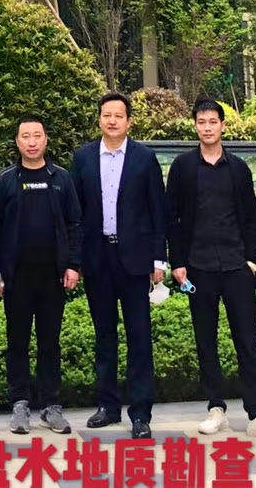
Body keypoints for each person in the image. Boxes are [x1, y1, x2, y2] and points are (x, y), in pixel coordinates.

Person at [166, 97, 256, 439]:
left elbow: (251, 217)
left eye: (212, 122)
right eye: (201, 122)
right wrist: (178, 262)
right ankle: (216, 408)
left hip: (236, 266)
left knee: (247, 340)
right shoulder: (183, 168)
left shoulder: (238, 168)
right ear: (195, 126)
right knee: (206, 341)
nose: (207, 128)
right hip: (198, 267)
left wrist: (252, 259)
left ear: (222, 126)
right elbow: (172, 218)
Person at [71, 92, 166, 439]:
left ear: (129, 122)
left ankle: (140, 413)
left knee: (139, 337)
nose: (112, 121)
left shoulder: (144, 158)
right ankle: (108, 406)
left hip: (135, 261)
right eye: (106, 115)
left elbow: (158, 211)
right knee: (104, 335)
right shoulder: (83, 157)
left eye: (118, 115)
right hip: (98, 259)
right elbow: (75, 213)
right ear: (99, 119)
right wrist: (75, 259)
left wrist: (159, 258)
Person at [0, 115, 82, 436]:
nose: (31, 142)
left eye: (37, 135)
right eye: (25, 136)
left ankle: (50, 406)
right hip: (16, 277)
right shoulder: (5, 180)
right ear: (17, 142)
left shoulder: (61, 179)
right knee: (17, 341)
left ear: (46, 140)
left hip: (52, 277)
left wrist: (73, 265)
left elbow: (75, 224)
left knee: (50, 342)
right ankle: (19, 403)